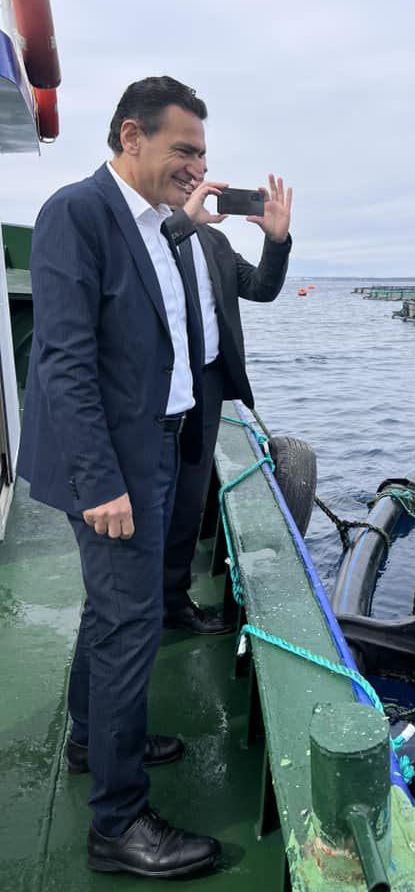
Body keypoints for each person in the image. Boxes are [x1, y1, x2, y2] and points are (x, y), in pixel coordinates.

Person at [17, 75, 292, 878]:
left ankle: (92, 739)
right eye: (184, 149)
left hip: (160, 446)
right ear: (131, 136)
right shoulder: (78, 212)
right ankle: (118, 824)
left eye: (202, 152)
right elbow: (64, 360)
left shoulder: (162, 228)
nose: (198, 166)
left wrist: (249, 233)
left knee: (112, 615)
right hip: (118, 463)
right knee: (130, 625)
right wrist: (100, 481)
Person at [162, 179, 291, 635]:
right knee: (150, 494)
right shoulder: (149, 232)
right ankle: (136, 598)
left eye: (201, 166)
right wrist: (181, 222)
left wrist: (276, 241)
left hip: (209, 381)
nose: (195, 176)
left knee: (190, 495)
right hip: (157, 386)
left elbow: (260, 287)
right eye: (185, 164)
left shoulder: (214, 240)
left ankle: (172, 600)